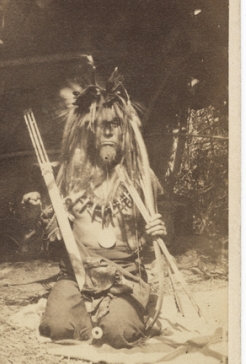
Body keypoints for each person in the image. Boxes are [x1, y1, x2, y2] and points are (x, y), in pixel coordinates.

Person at [23, 69, 166, 348]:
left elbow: (153, 244)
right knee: (57, 327)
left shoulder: (142, 177)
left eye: (115, 124)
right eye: (101, 125)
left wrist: (157, 232)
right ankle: (85, 312)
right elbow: (49, 231)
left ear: (125, 129)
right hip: (77, 273)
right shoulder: (69, 176)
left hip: (126, 274)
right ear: (89, 130)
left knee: (118, 333)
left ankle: (123, 313)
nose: (109, 131)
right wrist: (37, 211)